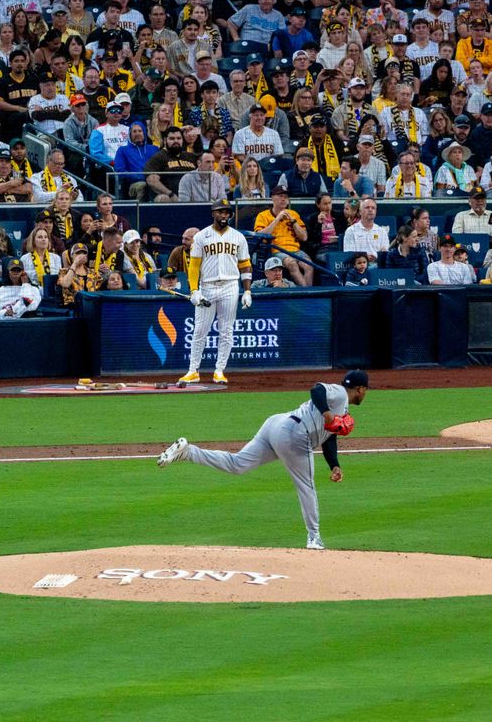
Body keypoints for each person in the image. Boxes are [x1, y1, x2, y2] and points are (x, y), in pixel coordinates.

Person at [156, 369, 369, 550]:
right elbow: (317, 389)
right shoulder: (340, 393)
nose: (365, 394)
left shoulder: (342, 406)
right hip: (294, 434)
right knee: (306, 487)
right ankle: (314, 537)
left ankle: (188, 452)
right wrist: (326, 414)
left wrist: (334, 465)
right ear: (360, 389)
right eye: (365, 390)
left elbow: (329, 437)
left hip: (276, 425)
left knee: (237, 464)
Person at [178, 199, 253, 385]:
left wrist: (247, 291)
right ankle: (193, 370)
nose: (223, 215)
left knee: (226, 330)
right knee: (200, 330)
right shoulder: (202, 236)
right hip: (208, 286)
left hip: (230, 285)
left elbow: (245, 265)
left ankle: (219, 370)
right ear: (213, 213)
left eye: (226, 212)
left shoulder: (238, 237)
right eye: (220, 212)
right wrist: (194, 290)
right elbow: (194, 266)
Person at [253, 187, 312, 287]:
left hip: (295, 250)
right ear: (272, 198)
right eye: (280, 196)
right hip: (277, 250)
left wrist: (293, 222)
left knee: (309, 265)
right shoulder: (263, 215)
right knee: (292, 263)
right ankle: (305, 293)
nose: (284, 199)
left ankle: (309, 292)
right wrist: (277, 219)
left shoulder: (294, 214)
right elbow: (260, 237)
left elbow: (304, 237)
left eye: (286, 197)